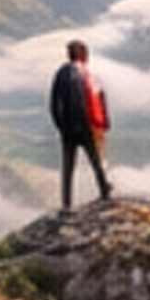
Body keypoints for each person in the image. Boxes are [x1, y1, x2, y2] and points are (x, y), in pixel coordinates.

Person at [50, 40, 112, 209]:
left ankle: (66, 203)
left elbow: (54, 104)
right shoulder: (89, 75)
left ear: (69, 55)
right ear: (85, 56)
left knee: (68, 167)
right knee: (97, 162)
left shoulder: (60, 74)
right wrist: (104, 123)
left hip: (68, 128)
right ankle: (105, 192)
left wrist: (61, 126)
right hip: (88, 126)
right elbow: (100, 98)